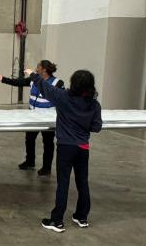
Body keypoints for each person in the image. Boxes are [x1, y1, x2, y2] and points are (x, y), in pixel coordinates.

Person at [24, 68, 102, 233]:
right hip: (83, 148)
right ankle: (81, 217)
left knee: (63, 183)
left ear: (73, 83)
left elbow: (45, 87)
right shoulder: (94, 104)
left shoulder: (64, 97)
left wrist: (32, 74)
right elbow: (96, 127)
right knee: (82, 183)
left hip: (66, 147)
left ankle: (57, 220)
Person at [0, 60, 64, 176]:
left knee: (48, 143)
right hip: (33, 116)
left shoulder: (57, 83)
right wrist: (1, 78)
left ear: (44, 70)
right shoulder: (33, 80)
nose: (36, 68)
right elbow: (17, 82)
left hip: (47, 118)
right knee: (29, 139)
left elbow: (62, 99)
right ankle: (30, 161)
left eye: (38, 67)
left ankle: (46, 168)